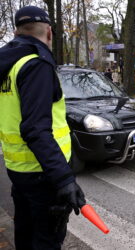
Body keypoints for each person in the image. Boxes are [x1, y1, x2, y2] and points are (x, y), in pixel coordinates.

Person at [0, 6, 86, 249]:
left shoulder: (8, 66)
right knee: (46, 240)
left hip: (19, 170)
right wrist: (64, 179)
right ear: (49, 33)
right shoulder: (36, 64)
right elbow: (35, 129)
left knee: (26, 235)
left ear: (16, 32)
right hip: (43, 174)